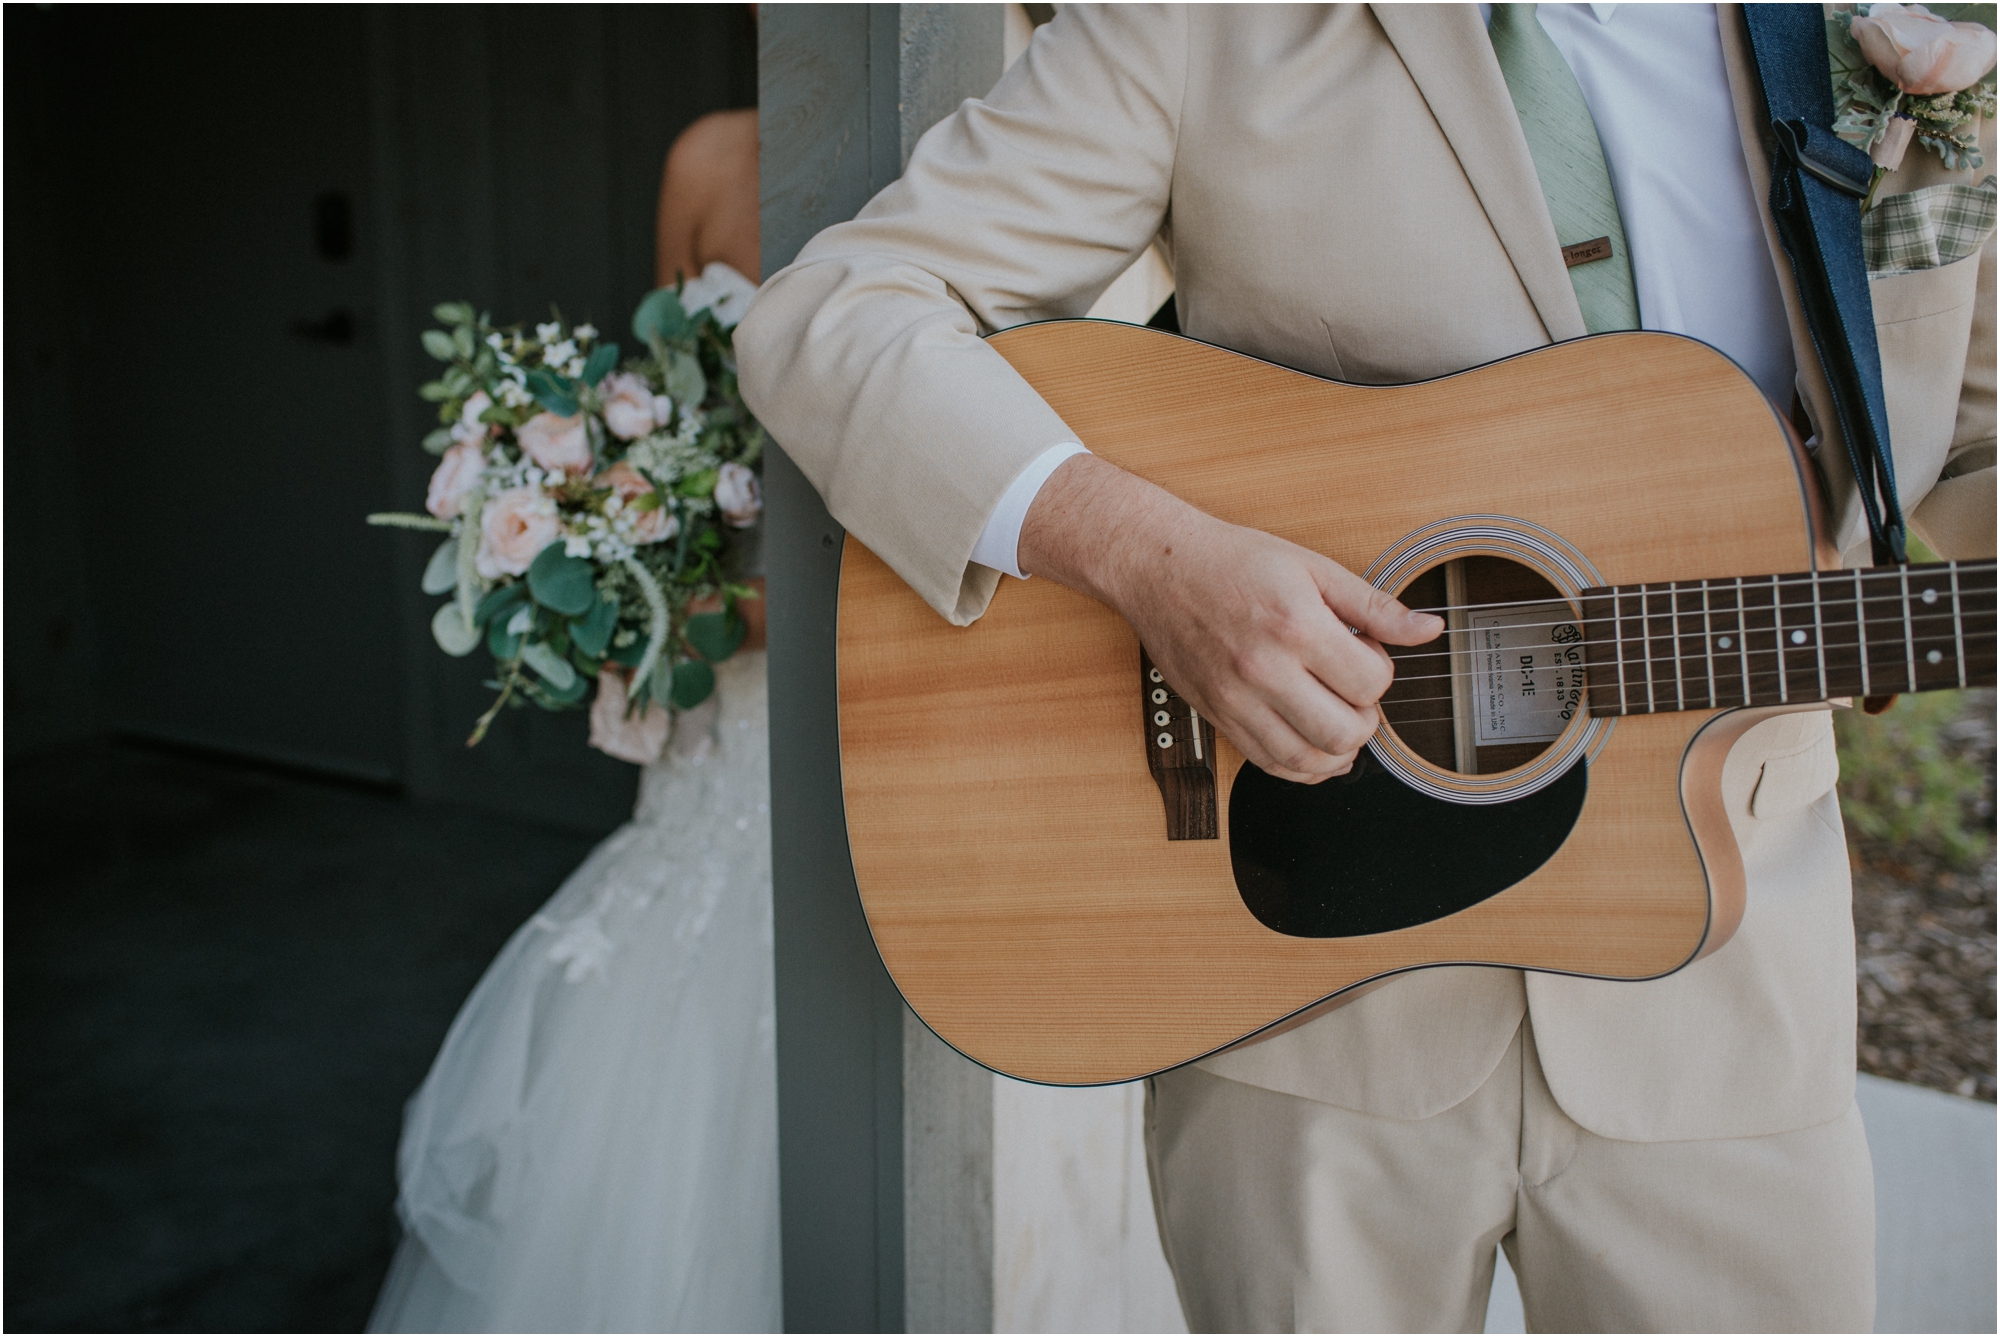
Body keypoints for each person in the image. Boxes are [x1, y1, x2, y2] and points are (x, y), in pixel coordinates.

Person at [737, 5, 1994, 1331]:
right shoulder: (1203, 26)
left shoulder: (1899, 27)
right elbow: (838, 317)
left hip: (1730, 990)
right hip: (1297, 988)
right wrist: (1152, 561)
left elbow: (1960, 462)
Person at [369, 113, 778, 1334]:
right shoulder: (707, 158)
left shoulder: (990, 127)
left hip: (889, 674)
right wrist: (616, 555)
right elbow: (674, 439)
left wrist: (770, 612)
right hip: (726, 697)